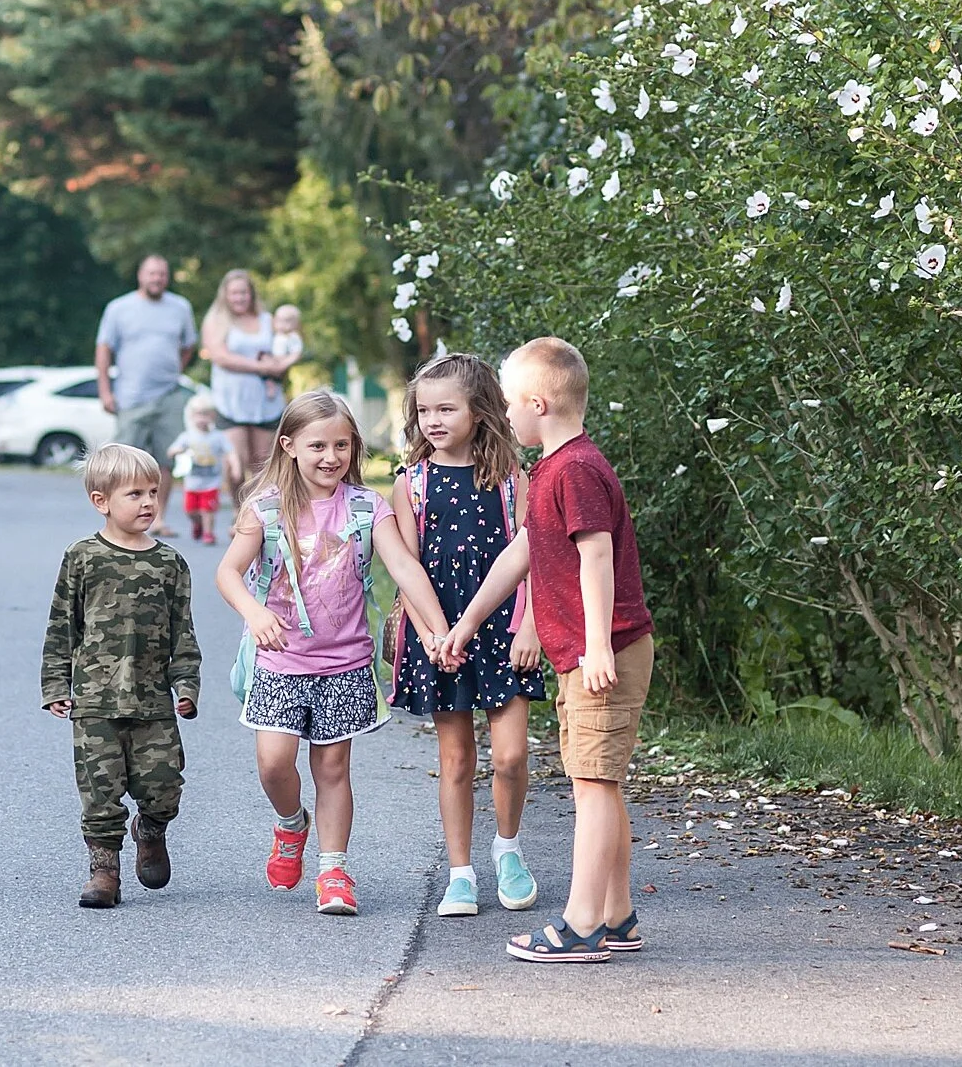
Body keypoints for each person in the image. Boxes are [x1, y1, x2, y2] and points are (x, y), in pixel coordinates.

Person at [444, 338, 656, 962]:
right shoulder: (552, 469)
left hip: (604, 649)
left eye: (508, 403)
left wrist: (595, 647)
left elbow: (596, 556)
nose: (504, 415)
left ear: (538, 403)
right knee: (599, 781)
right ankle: (615, 916)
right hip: (587, 650)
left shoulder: (576, 469)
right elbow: (524, 554)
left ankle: (583, 923)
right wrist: (467, 622)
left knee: (593, 783)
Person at [214, 390, 448, 917]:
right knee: (275, 764)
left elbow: (406, 570)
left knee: (334, 767)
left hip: (345, 660)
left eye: (341, 445)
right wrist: (255, 614)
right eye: (317, 444)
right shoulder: (266, 509)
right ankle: (292, 823)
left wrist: (437, 629)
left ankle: (334, 871)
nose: (330, 456)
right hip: (280, 659)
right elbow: (228, 573)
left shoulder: (368, 508)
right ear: (289, 445)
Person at [388, 354, 547, 920]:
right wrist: (434, 635)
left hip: (506, 629)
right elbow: (405, 569)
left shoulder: (512, 480)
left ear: (479, 411)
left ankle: (508, 848)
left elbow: (536, 557)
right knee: (455, 758)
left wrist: (530, 625)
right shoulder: (410, 484)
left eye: (446, 408)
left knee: (510, 754)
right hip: (439, 634)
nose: (432, 419)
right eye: (424, 409)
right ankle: (460, 873)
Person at [41, 443, 202, 908]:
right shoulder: (83, 558)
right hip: (94, 701)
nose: (148, 502)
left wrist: (186, 685)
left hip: (153, 702)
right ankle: (103, 871)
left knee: (164, 786)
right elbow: (61, 626)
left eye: (153, 492)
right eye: (135, 494)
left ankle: (150, 829)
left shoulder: (170, 564)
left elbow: (182, 633)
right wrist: (56, 685)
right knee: (99, 790)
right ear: (101, 500)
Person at [96, 255, 199, 536]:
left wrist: (175, 370)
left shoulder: (180, 307)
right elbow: (104, 350)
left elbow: (189, 345)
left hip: (169, 395)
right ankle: (120, 519)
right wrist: (105, 390)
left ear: (168, 277)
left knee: (165, 461)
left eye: (162, 274)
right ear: (141, 275)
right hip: (131, 397)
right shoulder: (119, 308)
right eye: (152, 274)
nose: (157, 279)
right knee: (124, 463)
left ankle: (158, 519)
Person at [200, 268, 288, 481]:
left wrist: (280, 364)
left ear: (251, 294)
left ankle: (260, 511)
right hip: (230, 401)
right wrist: (261, 367)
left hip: (265, 401)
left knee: (263, 464)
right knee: (235, 462)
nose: (239, 298)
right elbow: (221, 357)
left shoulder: (268, 320)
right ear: (226, 295)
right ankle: (238, 510)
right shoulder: (216, 320)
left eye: (243, 292)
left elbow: (284, 348)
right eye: (234, 293)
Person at [169, 395, 240, 544]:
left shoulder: (218, 437)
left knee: (208, 510)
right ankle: (197, 523)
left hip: (211, 482)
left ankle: (208, 533)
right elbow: (172, 450)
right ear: (191, 416)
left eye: (206, 415)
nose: (202, 419)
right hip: (192, 482)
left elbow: (230, 452)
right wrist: (177, 451)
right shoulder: (187, 436)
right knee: (190, 511)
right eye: (198, 415)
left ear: (213, 416)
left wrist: (235, 467)